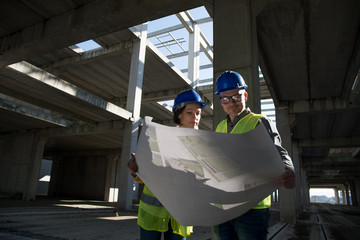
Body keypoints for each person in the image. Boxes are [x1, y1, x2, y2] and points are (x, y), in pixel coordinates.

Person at [212, 71, 296, 240]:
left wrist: (289, 170)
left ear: (245, 95)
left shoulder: (259, 121)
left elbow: (278, 150)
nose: (231, 102)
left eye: (236, 96)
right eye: (226, 98)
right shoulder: (220, 127)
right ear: (221, 101)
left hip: (252, 208)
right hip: (224, 205)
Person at [127, 89, 206, 240]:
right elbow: (145, 176)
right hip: (153, 213)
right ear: (179, 115)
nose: (195, 117)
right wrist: (135, 172)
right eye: (189, 112)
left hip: (181, 215)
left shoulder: (203, 147)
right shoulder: (160, 139)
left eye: (198, 113)